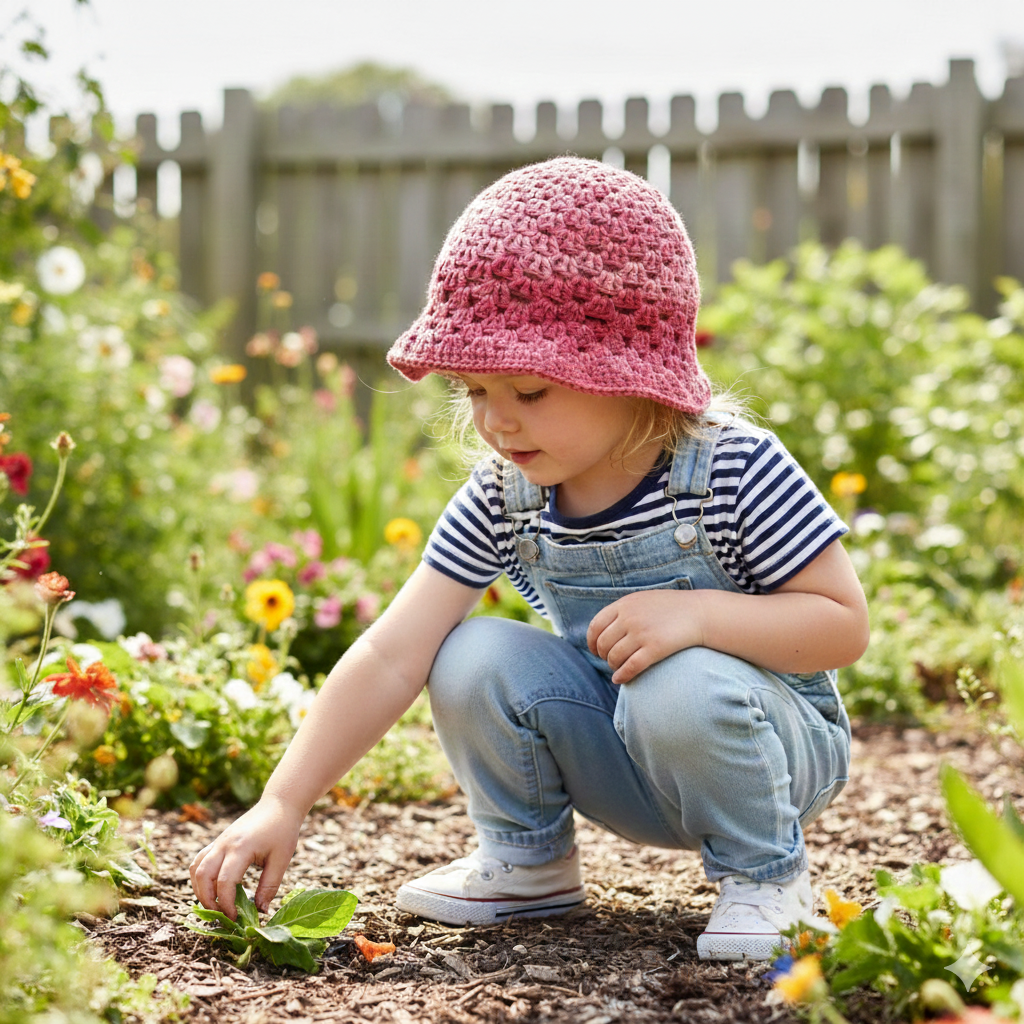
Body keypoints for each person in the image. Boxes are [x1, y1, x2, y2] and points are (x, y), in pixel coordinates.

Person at [190, 157, 869, 962]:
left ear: (625, 371)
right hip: (627, 755)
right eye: (476, 392)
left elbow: (842, 626)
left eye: (529, 391)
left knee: (677, 679)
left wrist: (697, 616)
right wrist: (284, 800)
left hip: (769, 750)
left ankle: (767, 878)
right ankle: (527, 860)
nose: (498, 423)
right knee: (469, 650)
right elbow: (389, 652)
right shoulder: (506, 494)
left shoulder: (732, 467)